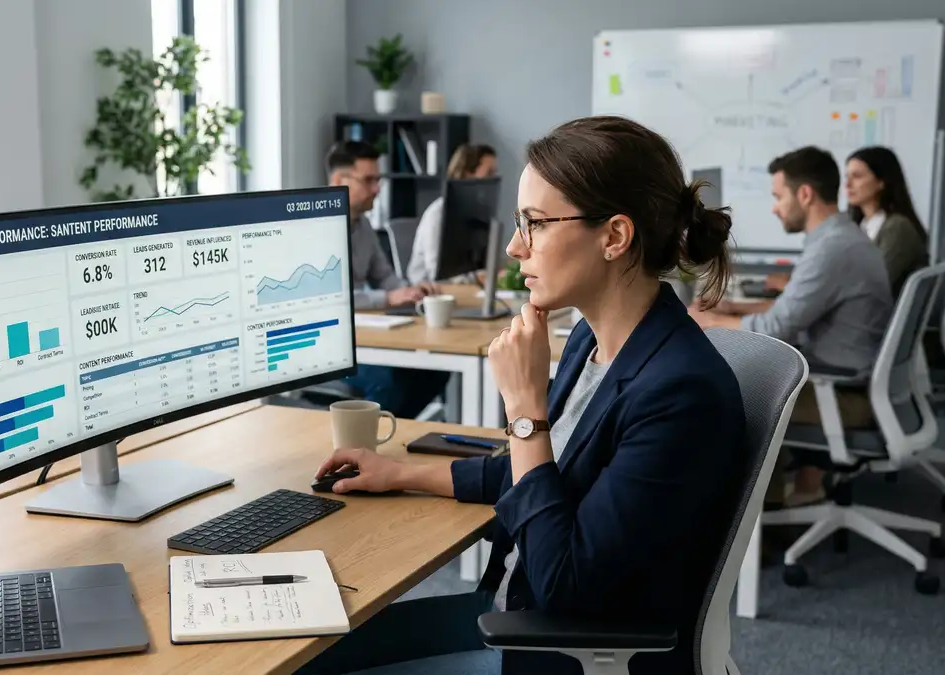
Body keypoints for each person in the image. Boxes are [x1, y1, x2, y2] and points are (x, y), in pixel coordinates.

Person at [300, 117, 745, 675]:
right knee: (312, 654)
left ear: (614, 237)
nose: (514, 247)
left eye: (534, 224)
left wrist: (526, 411)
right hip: (514, 614)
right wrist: (398, 473)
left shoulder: (680, 394)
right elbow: (539, 475)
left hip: (562, 649)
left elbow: (565, 583)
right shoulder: (591, 338)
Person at [691, 146, 892, 505]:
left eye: (778, 196)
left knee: (740, 397)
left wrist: (710, 321)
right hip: (850, 380)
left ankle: (756, 533)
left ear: (805, 194)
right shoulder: (840, 238)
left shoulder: (834, 249)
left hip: (845, 395)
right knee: (755, 376)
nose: (774, 207)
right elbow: (798, 308)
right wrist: (734, 306)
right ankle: (773, 512)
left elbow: (776, 327)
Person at [325, 141, 449, 419]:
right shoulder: (316, 230)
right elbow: (332, 299)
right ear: (338, 180)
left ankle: (393, 437)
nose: (377, 188)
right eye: (368, 180)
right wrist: (388, 298)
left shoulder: (364, 225)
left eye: (378, 179)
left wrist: (410, 291)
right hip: (329, 348)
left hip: (362, 339)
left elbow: (384, 276)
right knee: (390, 381)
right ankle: (364, 444)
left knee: (434, 372)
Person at [406, 143, 499, 284]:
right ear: (467, 173)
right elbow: (437, 275)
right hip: (431, 294)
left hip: (465, 290)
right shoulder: (438, 214)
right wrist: (481, 277)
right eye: (489, 173)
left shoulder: (477, 212)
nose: (494, 179)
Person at [846, 146, 929, 297]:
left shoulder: (898, 228)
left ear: (881, 182)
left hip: (876, 316)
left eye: (857, 176)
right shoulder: (859, 227)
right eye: (847, 177)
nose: (847, 184)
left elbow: (871, 285)